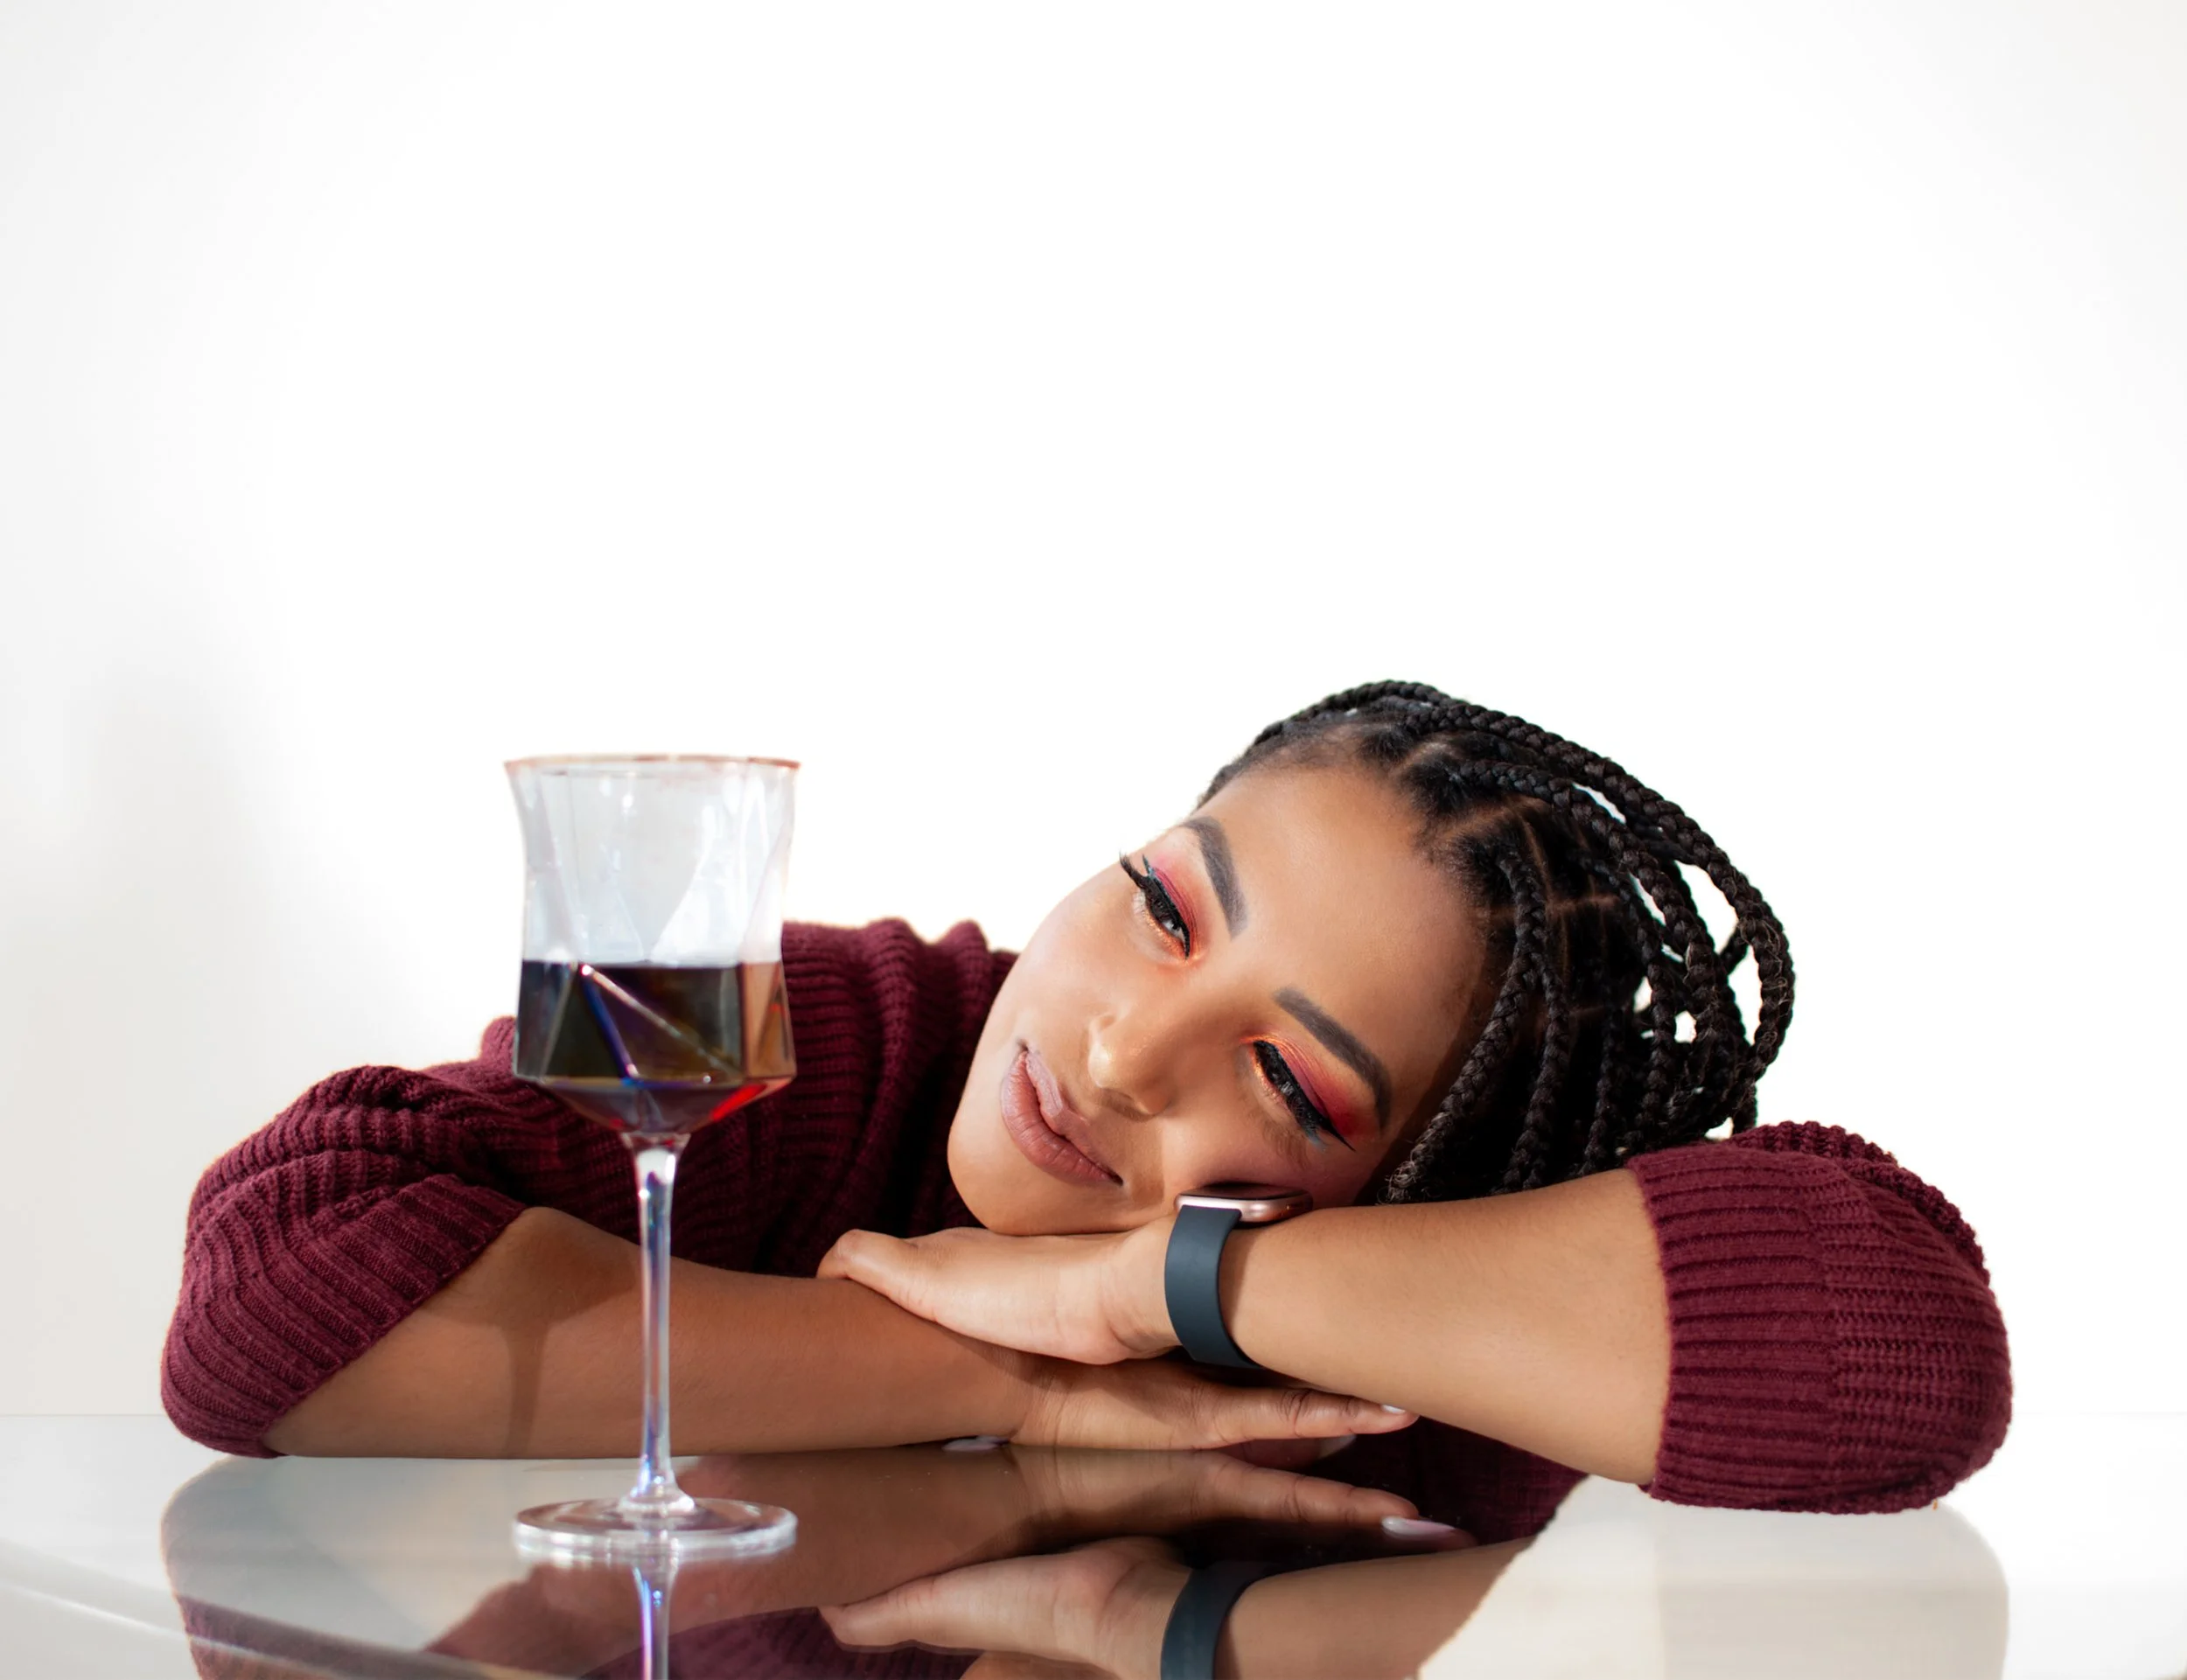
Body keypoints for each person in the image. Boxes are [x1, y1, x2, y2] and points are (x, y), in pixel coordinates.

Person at [161, 682, 2010, 1518]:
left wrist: (1158, 1295)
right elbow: (268, 1305)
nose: (1119, 1050)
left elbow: (1910, 1363)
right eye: (1158, 908)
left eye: (1283, 1077)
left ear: (1414, 1190)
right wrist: (1000, 1370)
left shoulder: (1410, 1336)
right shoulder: (840, 1032)